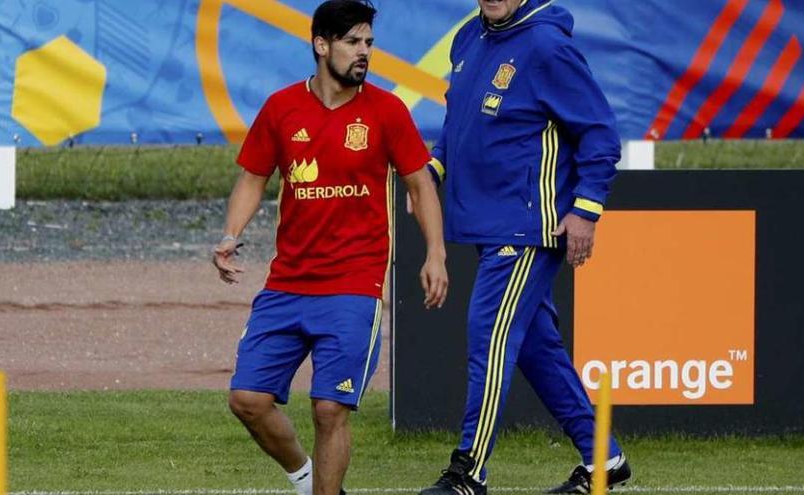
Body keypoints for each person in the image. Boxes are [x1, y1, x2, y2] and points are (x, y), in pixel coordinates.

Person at [212, 2, 448, 495]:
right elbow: (253, 178)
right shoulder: (280, 108)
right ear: (322, 45)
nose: (364, 53)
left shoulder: (387, 111)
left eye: (369, 44)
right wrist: (231, 234)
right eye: (353, 42)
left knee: (329, 408)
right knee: (247, 399)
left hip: (354, 286)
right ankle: (306, 478)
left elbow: (420, 185)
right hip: (287, 283)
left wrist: (436, 254)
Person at [418, 0, 631, 494]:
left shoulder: (547, 46)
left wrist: (586, 209)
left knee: (489, 337)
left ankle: (469, 472)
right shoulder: (469, 37)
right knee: (537, 349)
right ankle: (606, 459)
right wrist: (431, 172)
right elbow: (457, 125)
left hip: (529, 227)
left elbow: (600, 135)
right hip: (487, 224)